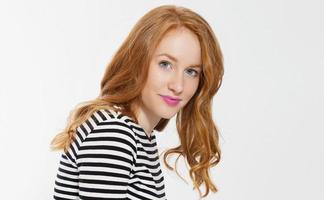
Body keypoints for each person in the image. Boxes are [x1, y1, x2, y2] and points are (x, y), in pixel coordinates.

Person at [51, 4, 224, 200]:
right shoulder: (114, 133)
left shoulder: (139, 136)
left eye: (191, 71)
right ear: (138, 60)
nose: (178, 85)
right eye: (165, 64)